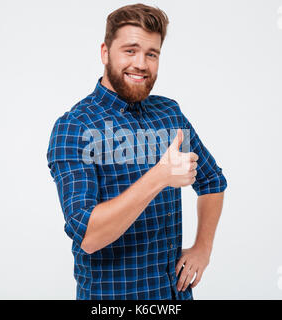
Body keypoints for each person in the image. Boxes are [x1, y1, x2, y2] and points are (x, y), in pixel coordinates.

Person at [46, 3, 227, 300]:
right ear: (105, 53)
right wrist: (159, 177)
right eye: (130, 50)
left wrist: (203, 249)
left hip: (173, 297)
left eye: (151, 54)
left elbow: (213, 182)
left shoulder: (169, 113)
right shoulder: (74, 127)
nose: (141, 64)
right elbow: (88, 235)